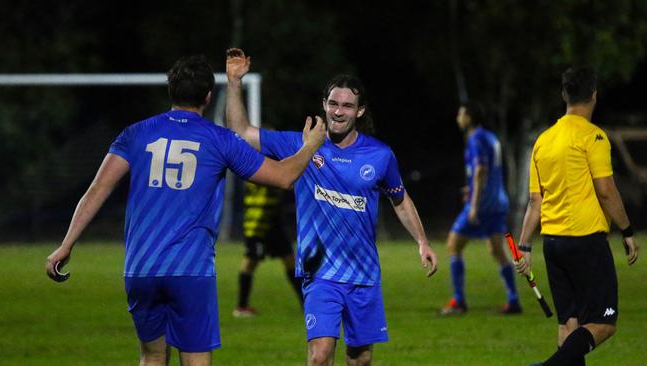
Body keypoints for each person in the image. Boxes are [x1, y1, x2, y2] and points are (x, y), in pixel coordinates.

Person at [45, 54, 326, 366]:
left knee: (151, 357)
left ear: (170, 88)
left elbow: (98, 189)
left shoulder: (136, 133)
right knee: (195, 361)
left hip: (141, 268)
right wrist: (310, 146)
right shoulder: (220, 140)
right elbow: (284, 177)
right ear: (208, 96)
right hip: (189, 269)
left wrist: (66, 244)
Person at [225, 48, 438, 366]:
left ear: (360, 111)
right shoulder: (302, 143)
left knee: (360, 359)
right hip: (320, 273)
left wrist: (422, 241)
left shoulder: (380, 155)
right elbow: (241, 131)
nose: (339, 112)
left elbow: (400, 198)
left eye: (347, 106)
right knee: (320, 356)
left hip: (363, 274)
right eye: (333, 104)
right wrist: (233, 82)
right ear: (324, 105)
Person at [516, 67, 639, 366]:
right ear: (594, 95)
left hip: (553, 245)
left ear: (564, 95)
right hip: (586, 242)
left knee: (568, 325)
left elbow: (535, 201)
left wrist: (524, 247)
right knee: (604, 322)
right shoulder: (593, 137)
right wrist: (626, 230)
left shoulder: (544, 140)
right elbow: (606, 191)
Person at [440, 101, 521, 315]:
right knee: (497, 249)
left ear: (469, 117)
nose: (458, 117)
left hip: (483, 203)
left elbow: (481, 170)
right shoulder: (491, 137)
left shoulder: (475, 138)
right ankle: (513, 300)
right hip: (498, 201)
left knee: (453, 245)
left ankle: (458, 302)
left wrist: (474, 203)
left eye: (461, 113)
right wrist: (473, 188)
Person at [233, 181, 303, 317]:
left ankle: (306, 303)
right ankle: (241, 307)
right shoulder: (258, 166)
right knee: (250, 261)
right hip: (257, 222)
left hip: (272, 221)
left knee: (289, 260)